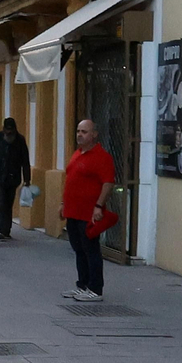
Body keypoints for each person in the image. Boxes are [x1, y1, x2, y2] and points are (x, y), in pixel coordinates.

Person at [61, 118, 116, 302]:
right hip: (73, 212)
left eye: (84, 131)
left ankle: (95, 289)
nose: (79, 134)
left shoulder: (102, 157)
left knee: (91, 250)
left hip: (88, 213)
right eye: (78, 131)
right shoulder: (77, 154)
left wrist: (99, 206)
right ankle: (82, 285)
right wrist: (63, 204)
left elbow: (108, 183)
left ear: (94, 134)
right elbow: (71, 180)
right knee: (78, 250)